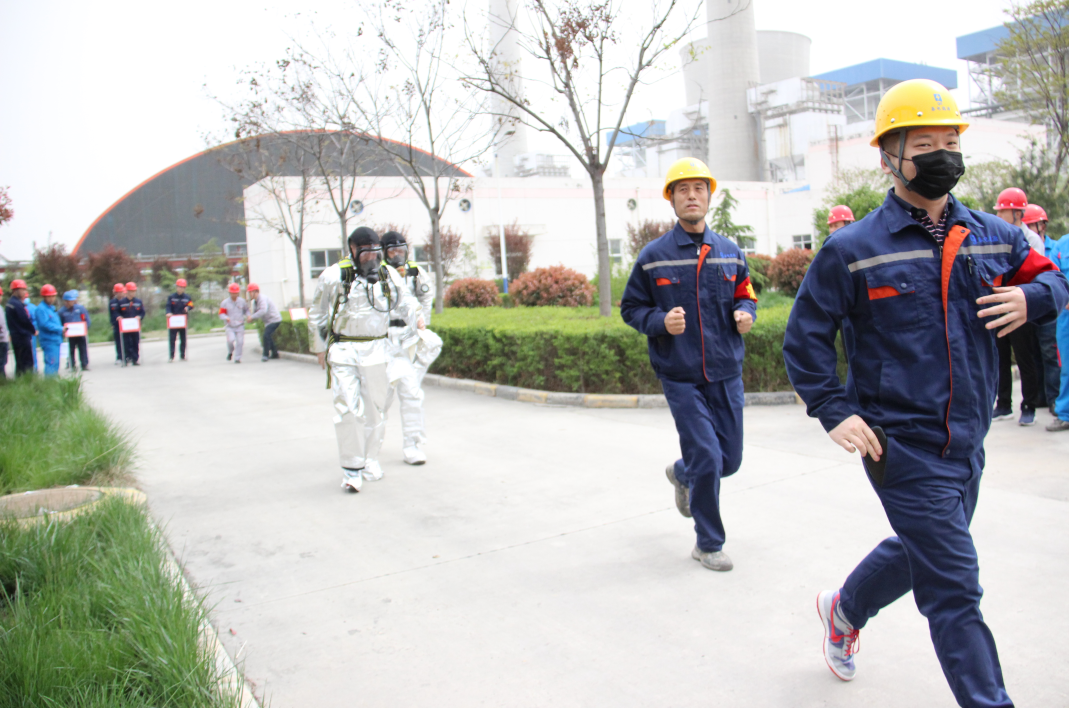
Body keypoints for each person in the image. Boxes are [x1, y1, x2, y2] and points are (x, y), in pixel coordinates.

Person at [782, 79, 1068, 708]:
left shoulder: (993, 235)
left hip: (968, 440)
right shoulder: (852, 249)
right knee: (954, 589)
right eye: (925, 145)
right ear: (890, 157)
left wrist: (1031, 297)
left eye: (951, 143)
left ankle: (844, 608)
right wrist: (832, 409)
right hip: (899, 446)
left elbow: (1053, 280)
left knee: (926, 552)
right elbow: (804, 337)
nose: (942, 155)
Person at [620, 157, 758, 573]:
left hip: (726, 371)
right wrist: (660, 321)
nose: (692, 196)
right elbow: (631, 308)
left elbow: (746, 293)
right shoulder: (654, 256)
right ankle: (708, 543)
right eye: (683, 190)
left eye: (699, 188)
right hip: (680, 375)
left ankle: (683, 473)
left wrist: (746, 312)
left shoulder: (730, 252)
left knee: (729, 460)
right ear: (672, 199)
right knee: (708, 457)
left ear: (709, 196)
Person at [308, 227, 421, 493]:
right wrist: (319, 348)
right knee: (348, 409)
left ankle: (370, 459)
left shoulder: (387, 275)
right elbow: (317, 313)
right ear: (353, 250)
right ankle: (351, 469)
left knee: (375, 411)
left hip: (377, 350)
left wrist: (417, 317)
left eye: (376, 252)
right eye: (366, 252)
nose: (372, 257)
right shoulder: (333, 276)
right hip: (344, 350)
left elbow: (406, 302)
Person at [381, 230, 441, 465]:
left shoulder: (415, 272)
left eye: (401, 250)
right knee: (381, 398)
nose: (397, 255)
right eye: (392, 251)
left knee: (412, 394)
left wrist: (421, 324)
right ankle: (369, 450)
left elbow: (425, 297)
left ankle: (412, 446)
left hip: (407, 338)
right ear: (383, 252)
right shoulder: (376, 274)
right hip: (383, 339)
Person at [992, 188, 1044, 425]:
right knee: (1000, 357)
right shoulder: (996, 237)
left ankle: (1029, 406)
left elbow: (1036, 273)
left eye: (1003, 211)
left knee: (1025, 357)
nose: (999, 216)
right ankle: (1003, 404)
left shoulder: (1031, 240)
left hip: (1022, 305)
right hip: (1000, 303)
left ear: (1017, 213)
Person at [1026, 204, 1062, 415]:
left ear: (1042, 225)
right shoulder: (1023, 247)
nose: (1030, 229)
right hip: (1030, 306)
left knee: (1050, 352)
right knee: (1033, 353)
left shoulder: (1055, 248)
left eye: (1033, 225)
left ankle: (1055, 398)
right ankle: (1039, 396)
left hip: (1048, 309)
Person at [1046, 231, 1069, 432]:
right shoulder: (1062, 245)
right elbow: (1052, 274)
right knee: (1067, 366)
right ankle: (1065, 414)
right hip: (1066, 317)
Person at [4, 280, 35, 377]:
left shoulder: (10, 303)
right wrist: (33, 330)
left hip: (16, 336)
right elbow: (24, 320)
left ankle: (20, 379)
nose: (24, 292)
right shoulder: (17, 304)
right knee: (26, 362)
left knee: (20, 361)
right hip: (22, 336)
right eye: (22, 290)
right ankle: (26, 379)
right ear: (15, 290)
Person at [246, 283, 282, 362]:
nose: (249, 294)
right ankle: (275, 353)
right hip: (268, 322)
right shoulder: (255, 302)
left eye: (250, 292)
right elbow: (256, 313)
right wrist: (251, 318)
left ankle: (265, 355)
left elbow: (263, 310)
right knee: (268, 336)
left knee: (266, 336)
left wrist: (252, 317)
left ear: (255, 292)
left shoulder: (262, 299)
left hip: (274, 320)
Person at [33, 284, 63, 377]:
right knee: (51, 363)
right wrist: (60, 328)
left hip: (56, 339)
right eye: (49, 296)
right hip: (49, 341)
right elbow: (45, 324)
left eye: (53, 296)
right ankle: (49, 382)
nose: (52, 298)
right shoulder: (41, 309)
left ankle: (54, 381)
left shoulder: (51, 308)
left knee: (56, 363)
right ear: (44, 296)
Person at [59, 290, 91, 372]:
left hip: (80, 333)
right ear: (66, 301)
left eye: (73, 300)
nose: (72, 302)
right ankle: (71, 365)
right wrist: (63, 331)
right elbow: (60, 323)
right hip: (70, 335)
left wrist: (85, 328)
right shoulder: (61, 312)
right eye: (70, 301)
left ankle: (84, 364)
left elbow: (87, 320)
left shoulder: (80, 308)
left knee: (83, 348)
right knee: (70, 350)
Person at [166, 278, 195, 362]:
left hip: (182, 321)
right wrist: (168, 313)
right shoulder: (171, 297)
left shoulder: (187, 297)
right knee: (172, 339)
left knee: (183, 339)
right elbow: (168, 306)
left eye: (182, 287)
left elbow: (191, 305)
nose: (181, 289)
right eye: (179, 287)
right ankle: (171, 356)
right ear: (176, 287)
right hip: (173, 321)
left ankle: (183, 355)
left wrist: (188, 308)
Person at [219, 283, 249, 363]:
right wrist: (226, 317)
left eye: (236, 293)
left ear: (238, 293)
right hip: (230, 326)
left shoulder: (242, 302)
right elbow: (221, 314)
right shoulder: (225, 303)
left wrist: (248, 316)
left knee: (240, 342)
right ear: (230, 293)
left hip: (240, 325)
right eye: (232, 293)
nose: (234, 295)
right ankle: (230, 351)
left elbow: (246, 310)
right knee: (230, 340)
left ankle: (237, 358)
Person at [119, 281, 145, 366]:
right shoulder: (121, 302)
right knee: (126, 342)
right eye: (131, 291)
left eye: (134, 291)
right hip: (125, 326)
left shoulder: (138, 302)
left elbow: (142, 312)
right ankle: (127, 358)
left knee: (135, 342)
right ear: (127, 291)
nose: (133, 293)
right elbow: (117, 312)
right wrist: (119, 317)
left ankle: (135, 359)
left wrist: (139, 317)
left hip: (135, 326)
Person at [109, 283, 126, 365]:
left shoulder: (125, 301)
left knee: (127, 341)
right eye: (118, 292)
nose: (119, 294)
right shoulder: (112, 302)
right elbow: (111, 314)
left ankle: (127, 356)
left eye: (121, 292)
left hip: (126, 324)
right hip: (117, 324)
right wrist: (112, 323)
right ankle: (119, 357)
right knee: (118, 341)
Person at [0, 284, 8, 378]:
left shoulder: (1, 308)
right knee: (1, 362)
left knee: (3, 362)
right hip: (1, 340)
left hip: (3, 339)